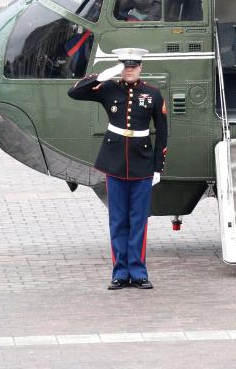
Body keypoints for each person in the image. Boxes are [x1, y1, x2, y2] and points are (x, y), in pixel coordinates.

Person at [67, 48, 168, 290]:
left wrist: (158, 167)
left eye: (133, 66)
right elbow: (75, 92)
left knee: (138, 220)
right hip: (114, 163)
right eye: (125, 66)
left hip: (142, 164)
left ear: (141, 67)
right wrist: (104, 75)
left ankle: (138, 271)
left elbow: (163, 133)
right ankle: (120, 272)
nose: (129, 70)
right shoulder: (109, 88)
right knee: (118, 220)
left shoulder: (152, 93)